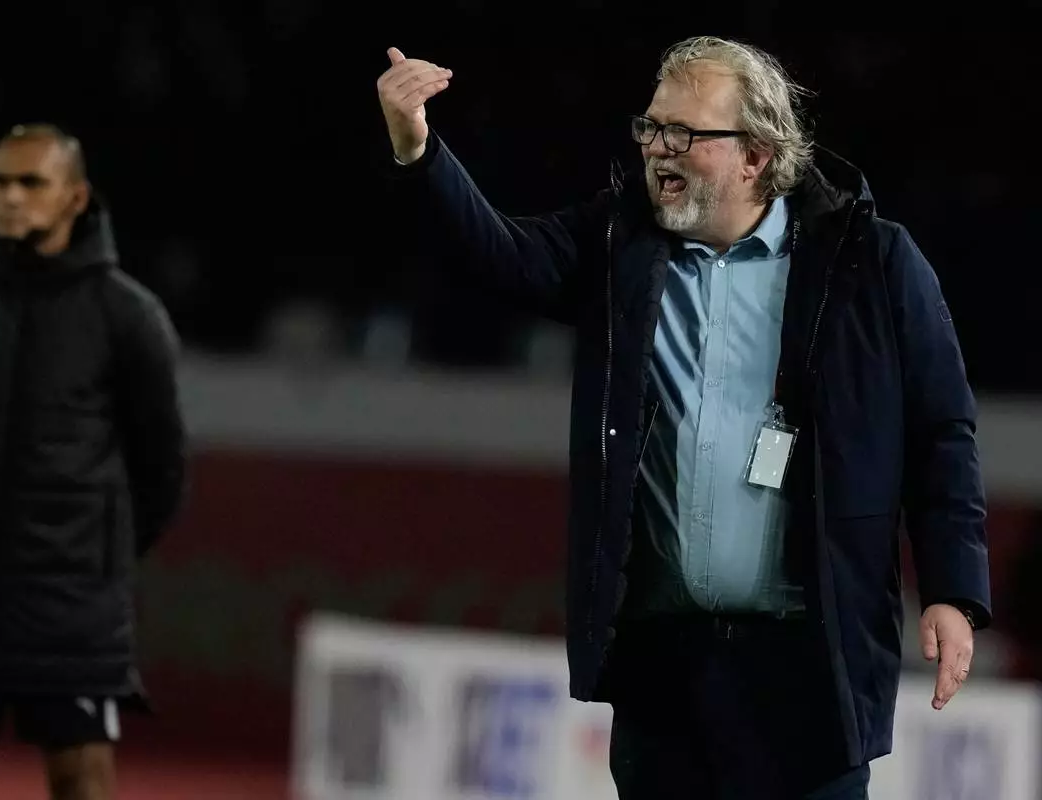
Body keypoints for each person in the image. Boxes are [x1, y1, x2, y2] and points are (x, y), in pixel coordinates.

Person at [376, 36, 990, 799]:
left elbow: (943, 431)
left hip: (809, 674)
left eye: (686, 134)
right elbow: (501, 254)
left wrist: (954, 590)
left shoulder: (872, 261)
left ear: (757, 155)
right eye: (652, 128)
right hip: (665, 675)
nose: (659, 149)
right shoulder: (619, 243)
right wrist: (418, 148)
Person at [0, 123, 187, 800]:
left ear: (76, 197)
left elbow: (162, 467)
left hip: (70, 605)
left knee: (81, 774)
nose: (10, 197)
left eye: (31, 183)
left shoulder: (128, 316)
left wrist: (94, 548)